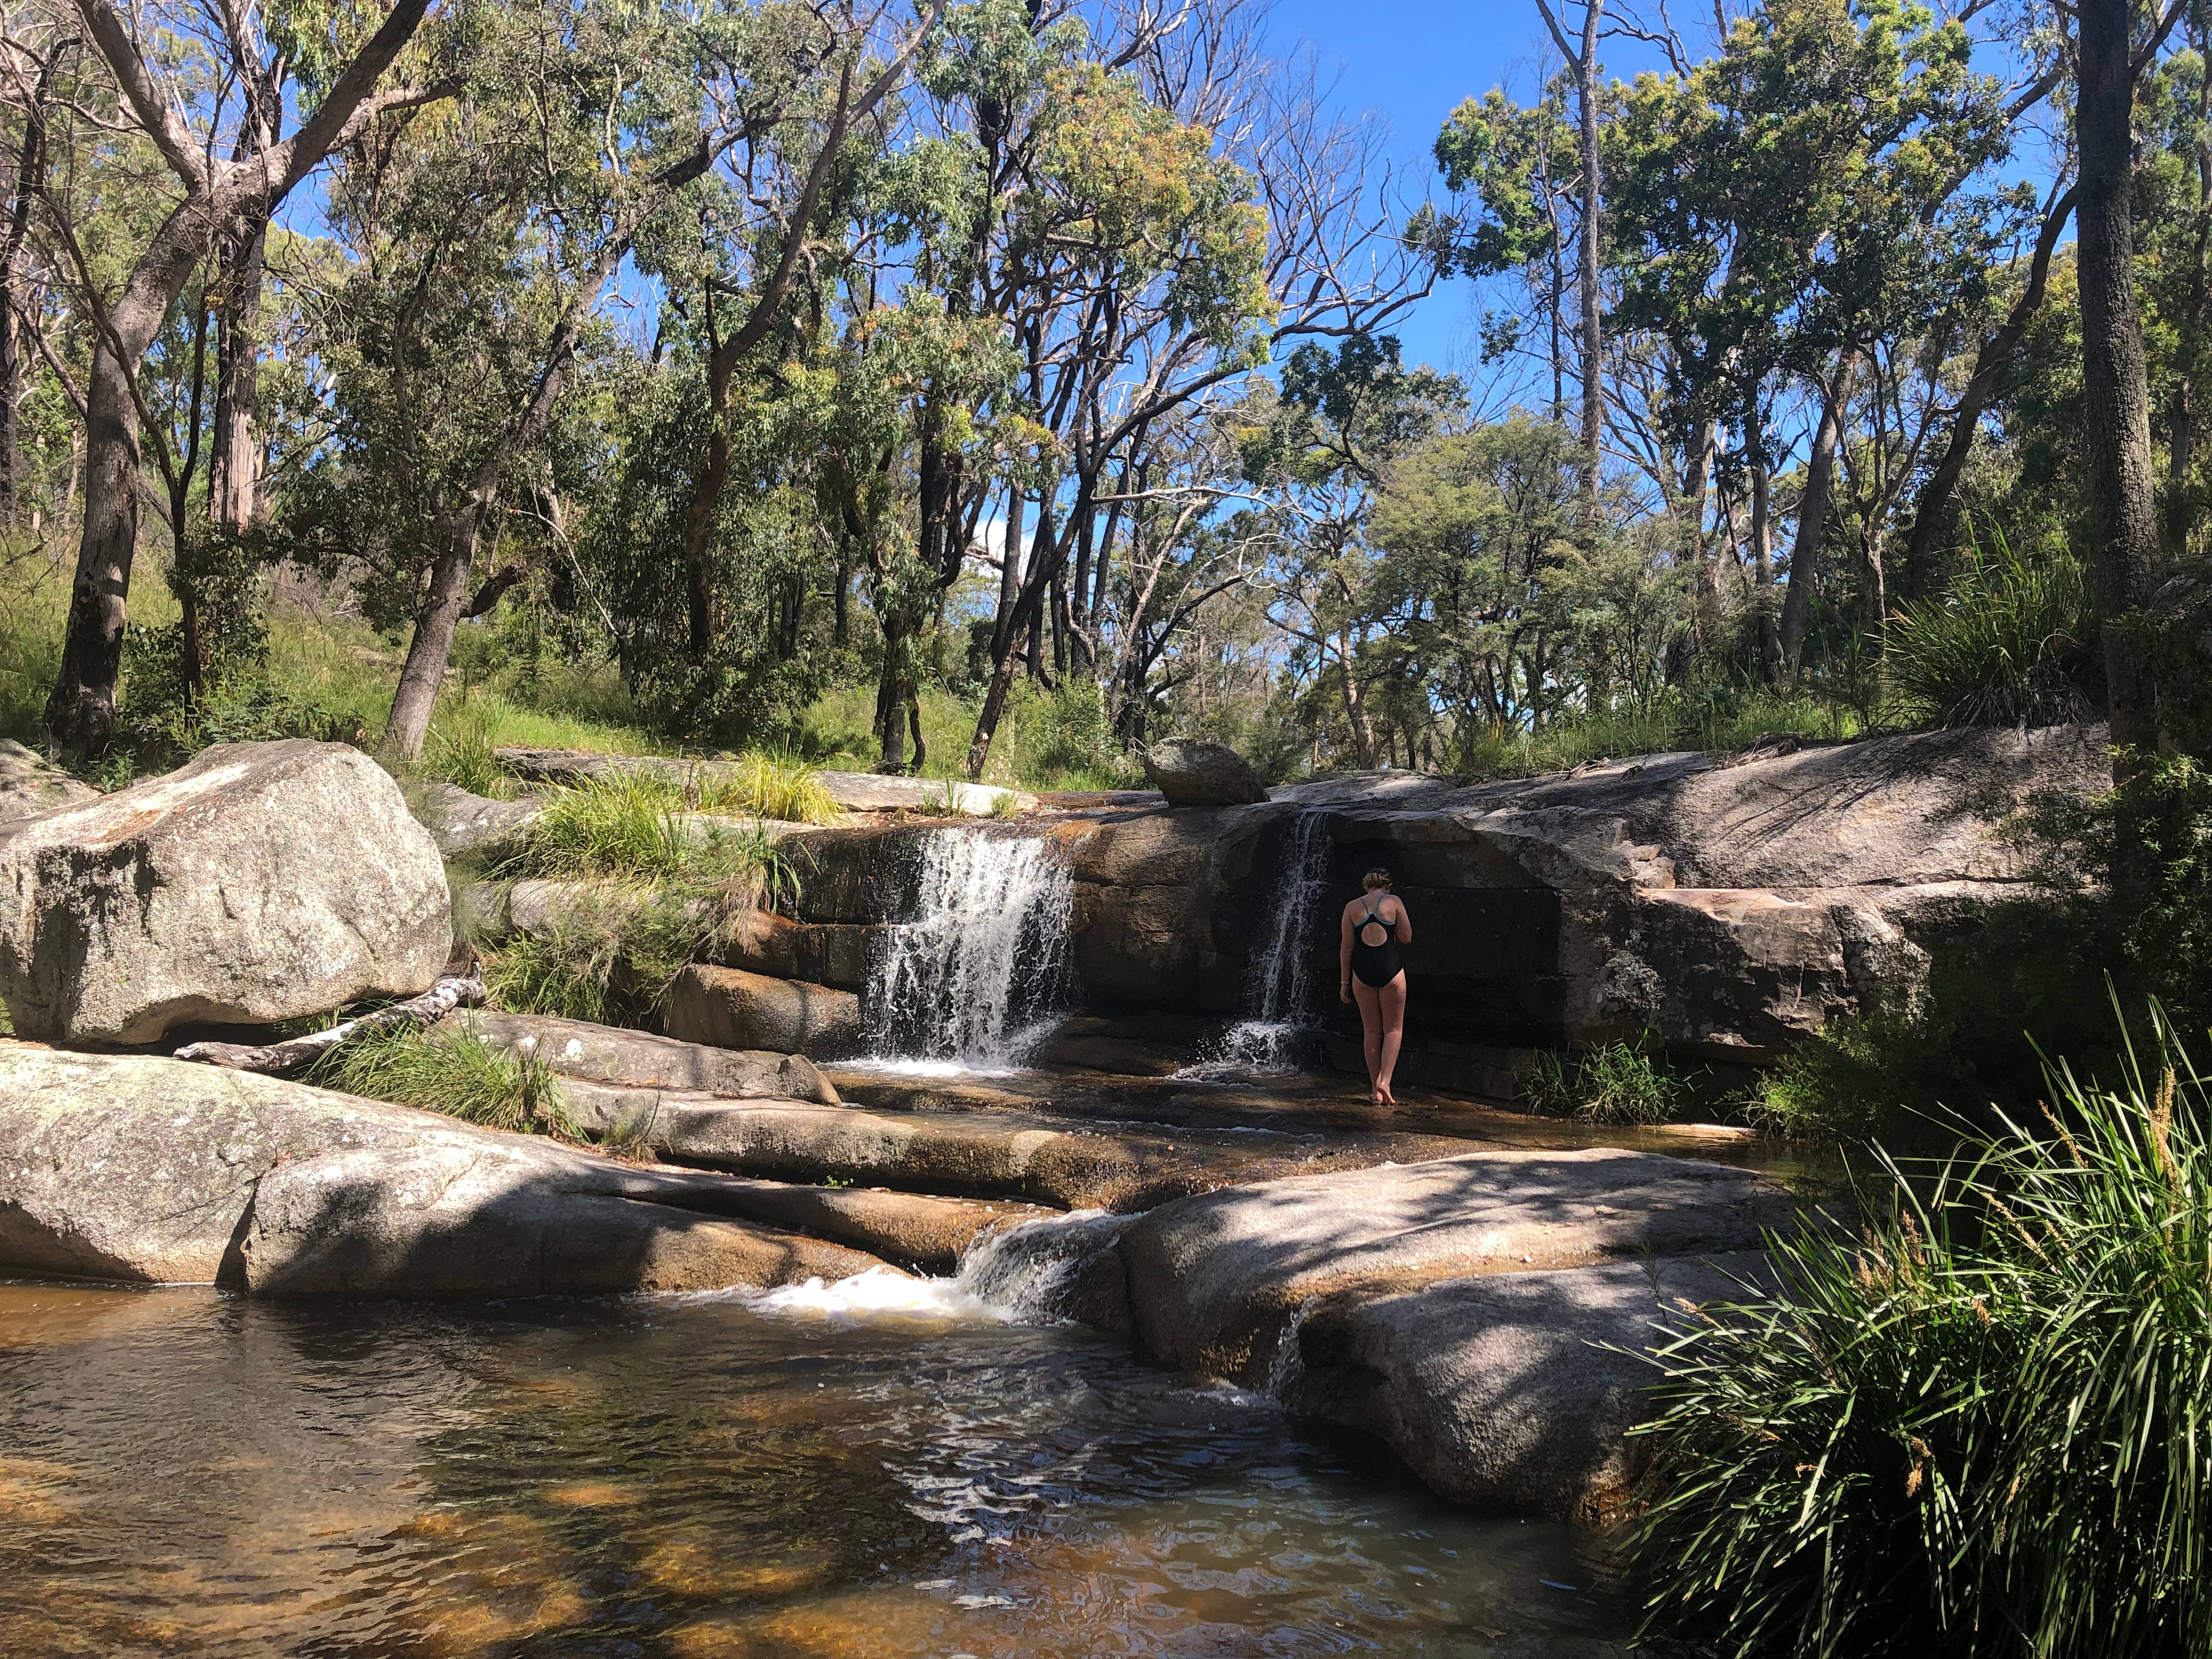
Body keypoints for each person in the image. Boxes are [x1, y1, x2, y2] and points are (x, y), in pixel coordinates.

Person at [1339, 868, 1410, 1106]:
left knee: (1371, 1031)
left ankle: (1374, 1090)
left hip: (1362, 971)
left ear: (1366, 886)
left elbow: (1347, 948)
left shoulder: (1351, 907)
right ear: (1387, 887)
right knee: (1393, 1030)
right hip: (1391, 968)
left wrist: (1344, 982)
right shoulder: (1394, 901)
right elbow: (1407, 937)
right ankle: (1386, 1082)